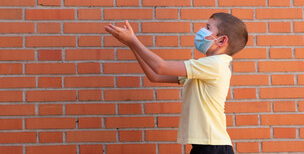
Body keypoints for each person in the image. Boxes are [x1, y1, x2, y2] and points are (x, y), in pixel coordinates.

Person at [104, 12, 248, 154]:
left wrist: (133, 40)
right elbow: (155, 76)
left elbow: (161, 67)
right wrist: (131, 45)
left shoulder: (215, 65)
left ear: (221, 41)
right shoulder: (205, 67)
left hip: (213, 147)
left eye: (208, 28)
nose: (202, 31)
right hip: (206, 146)